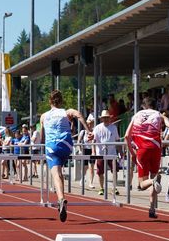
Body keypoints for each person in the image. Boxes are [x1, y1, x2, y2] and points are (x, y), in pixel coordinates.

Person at [40, 90, 91, 222]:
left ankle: (61, 199)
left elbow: (42, 136)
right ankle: (60, 199)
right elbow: (78, 114)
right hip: (66, 145)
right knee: (60, 171)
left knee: (56, 173)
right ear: (61, 101)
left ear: (49, 102)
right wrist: (88, 131)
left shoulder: (44, 116)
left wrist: (41, 146)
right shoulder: (65, 112)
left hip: (51, 146)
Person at [125, 97, 169, 218]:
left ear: (143, 106)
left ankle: (153, 182)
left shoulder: (137, 115)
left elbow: (126, 136)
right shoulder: (159, 115)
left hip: (142, 150)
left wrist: (132, 153)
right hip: (156, 149)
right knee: (154, 179)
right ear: (155, 106)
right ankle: (152, 209)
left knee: (142, 184)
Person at [92, 110, 120, 196]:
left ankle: (114, 187)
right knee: (100, 172)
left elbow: (117, 140)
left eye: (107, 118)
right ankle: (101, 188)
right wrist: (93, 151)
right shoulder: (97, 128)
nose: (106, 119)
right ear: (102, 119)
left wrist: (121, 152)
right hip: (100, 153)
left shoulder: (114, 127)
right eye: (104, 118)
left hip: (112, 153)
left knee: (115, 170)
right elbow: (94, 140)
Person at [78, 116, 95, 188]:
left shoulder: (94, 131)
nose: (89, 125)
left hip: (92, 149)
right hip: (85, 150)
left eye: (91, 123)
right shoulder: (83, 132)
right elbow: (79, 141)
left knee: (91, 166)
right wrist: (80, 150)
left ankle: (91, 182)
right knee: (85, 167)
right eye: (88, 124)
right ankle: (82, 178)